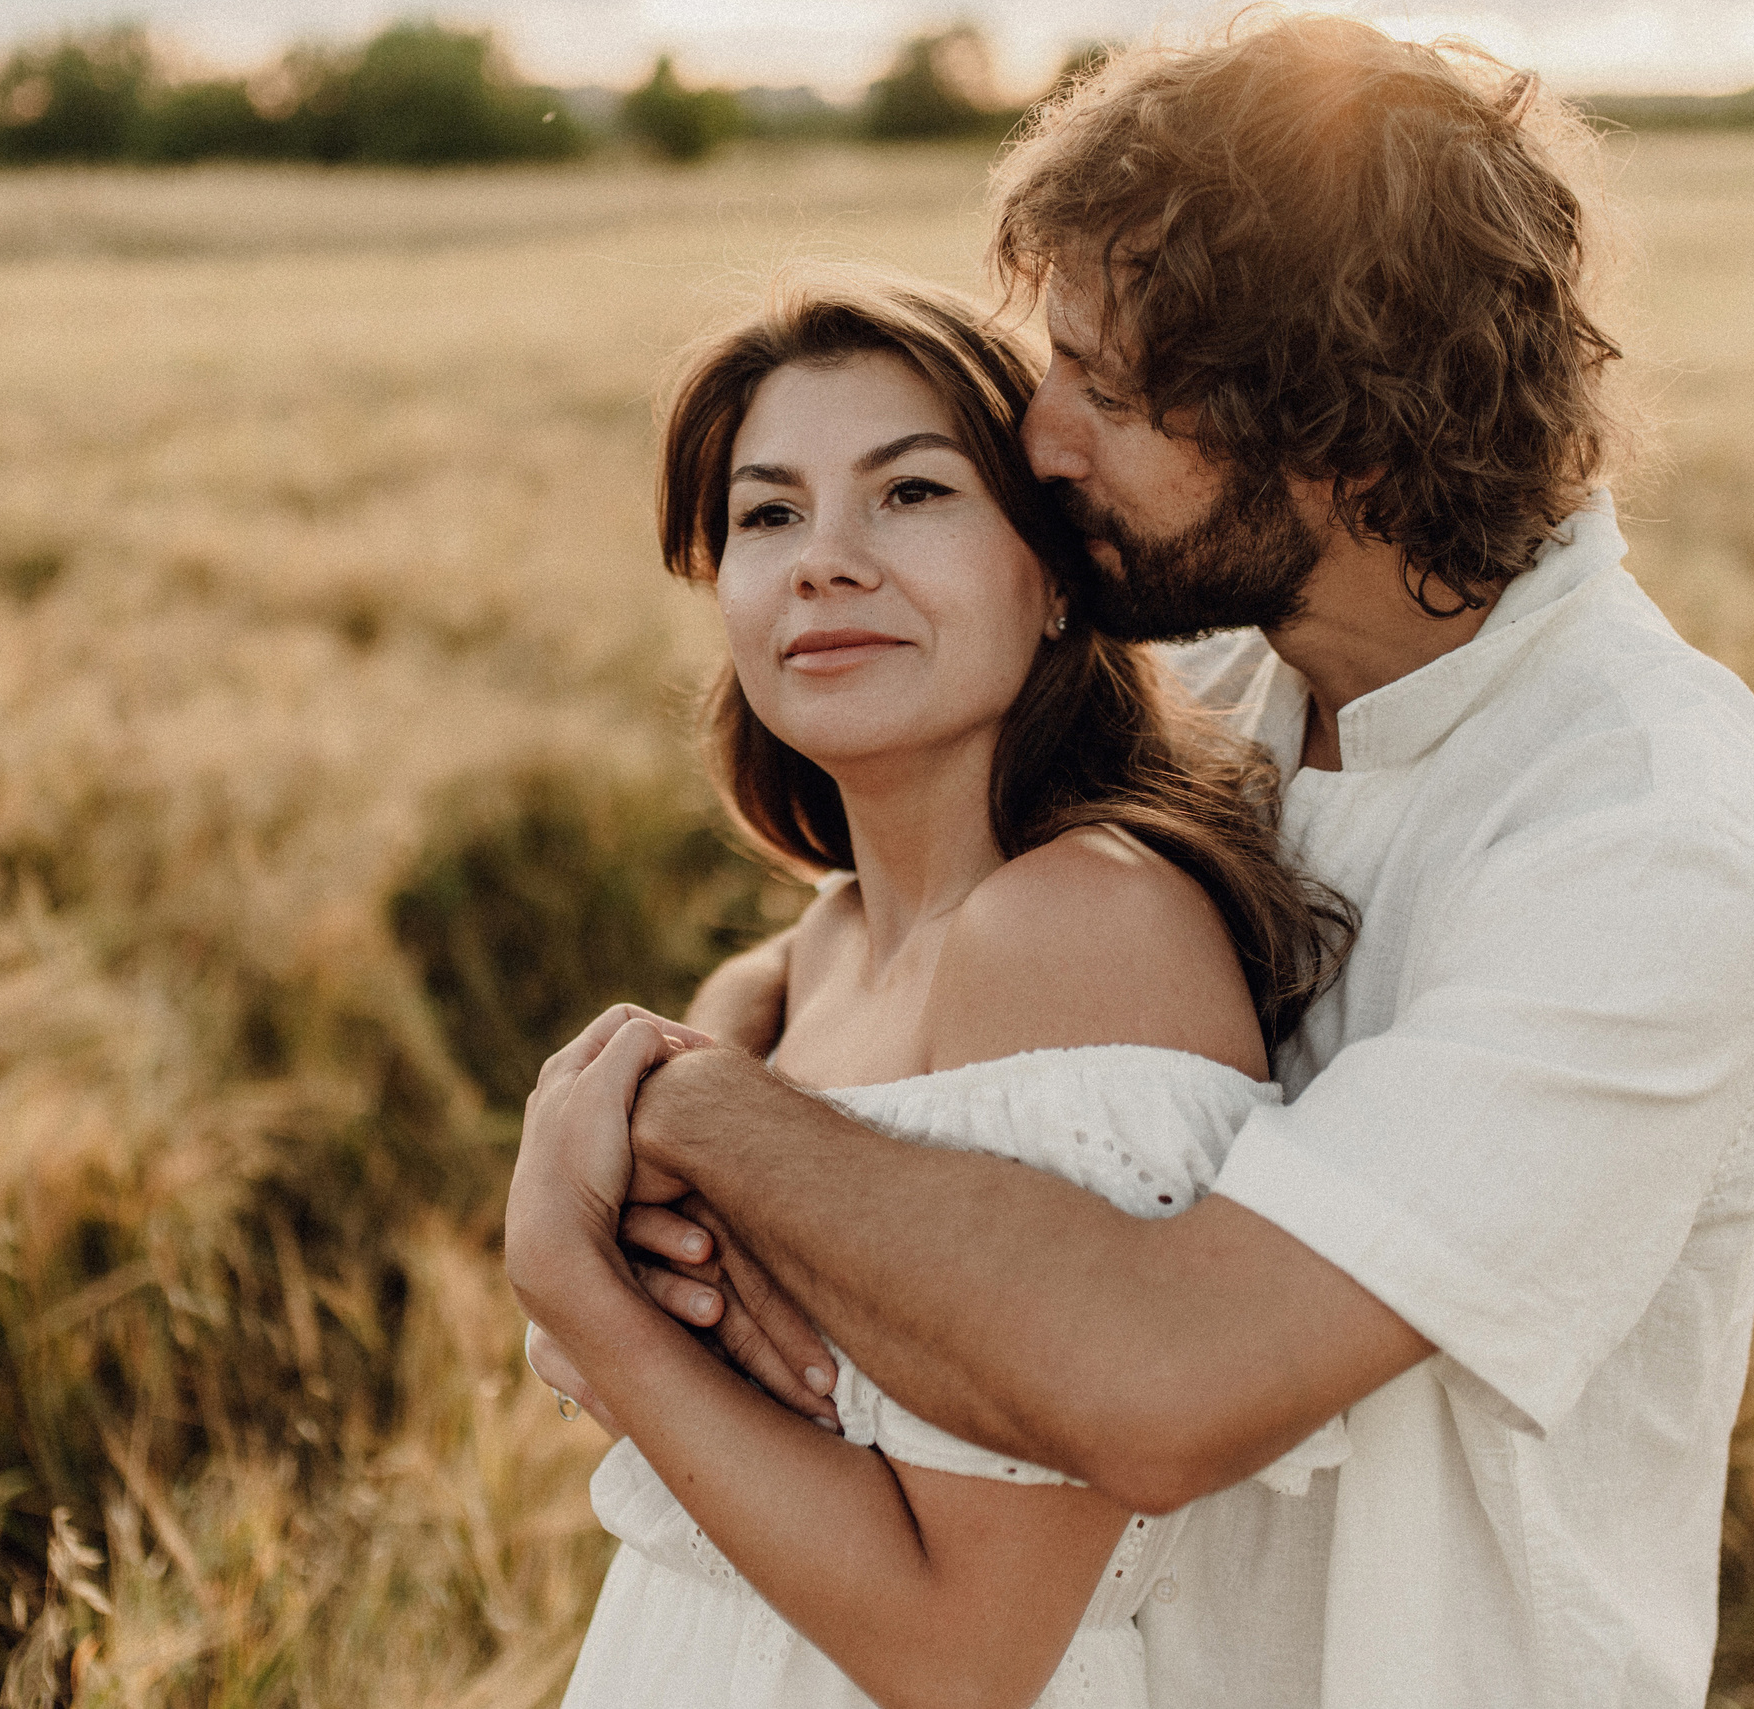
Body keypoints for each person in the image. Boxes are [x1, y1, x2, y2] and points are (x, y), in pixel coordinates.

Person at [527, 16, 1754, 1709]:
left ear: (1341, 428)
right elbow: (888, 958)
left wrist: (678, 1117)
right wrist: (698, 1093)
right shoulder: (1224, 675)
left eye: (1113, 388)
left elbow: (1164, 1385)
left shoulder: (1655, 844)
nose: (1045, 438)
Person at [504, 277, 1355, 1709]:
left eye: (910, 493)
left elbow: (973, 1650)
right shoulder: (809, 959)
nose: (824, 562)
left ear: (1060, 572)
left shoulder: (1081, 926)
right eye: (767, 515)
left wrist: (576, 1284)